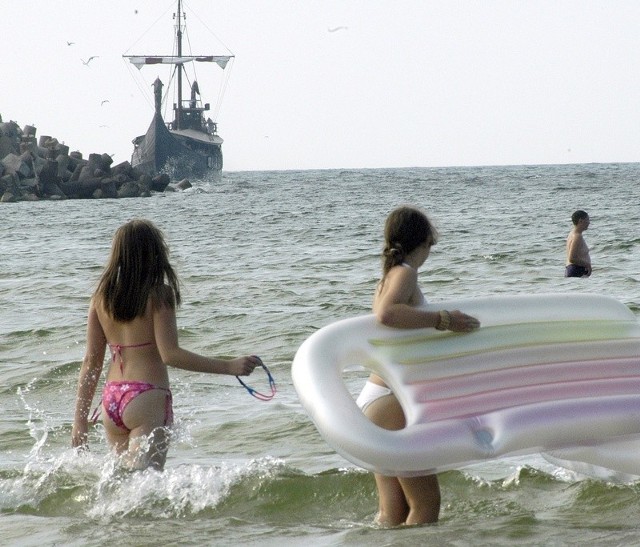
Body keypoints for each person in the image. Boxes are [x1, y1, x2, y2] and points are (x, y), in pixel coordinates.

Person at [71, 219, 261, 471]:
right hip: (146, 397)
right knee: (145, 483)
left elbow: (91, 362)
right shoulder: (159, 294)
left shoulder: (100, 298)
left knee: (121, 484)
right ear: (155, 253)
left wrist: (79, 420)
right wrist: (230, 366)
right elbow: (170, 354)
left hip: (112, 400)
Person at [356, 206, 480, 526]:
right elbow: (387, 314)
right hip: (390, 403)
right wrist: (443, 320)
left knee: (393, 511)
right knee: (426, 506)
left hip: (376, 399)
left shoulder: (388, 276)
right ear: (422, 243)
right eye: (431, 246)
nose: (429, 254)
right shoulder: (406, 273)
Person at [565, 210, 592, 277]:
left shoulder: (572, 234)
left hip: (573, 269)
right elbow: (572, 258)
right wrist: (588, 265)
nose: (589, 223)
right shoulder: (577, 236)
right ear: (581, 221)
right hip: (577, 270)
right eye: (587, 220)